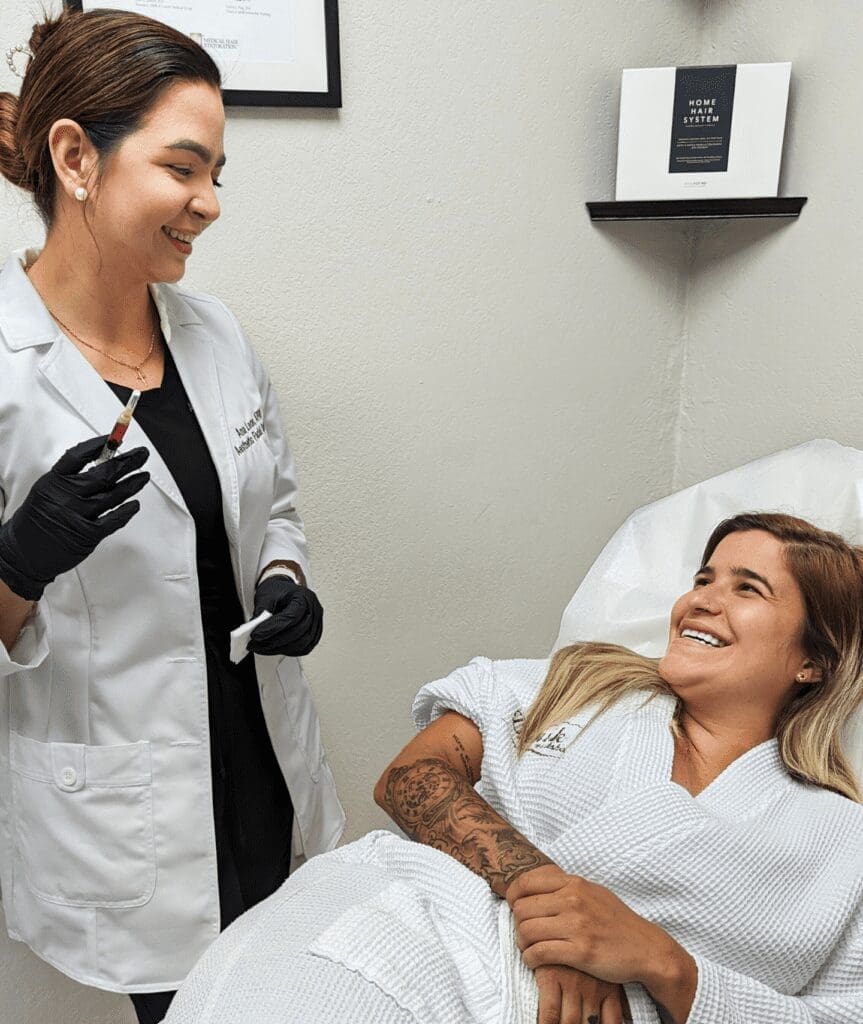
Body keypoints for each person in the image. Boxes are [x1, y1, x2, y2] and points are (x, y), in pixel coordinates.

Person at [165, 511, 863, 1024]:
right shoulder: (574, 684)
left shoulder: (838, 841)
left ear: (812, 661)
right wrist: (553, 907)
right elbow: (413, 777)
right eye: (702, 577)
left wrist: (665, 966)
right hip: (393, 935)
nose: (700, 599)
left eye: (748, 588)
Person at [0, 10, 343, 1023]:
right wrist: (19, 560)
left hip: (265, 777)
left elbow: (271, 501)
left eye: (217, 175)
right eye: (183, 168)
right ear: (76, 158)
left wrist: (282, 580)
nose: (208, 203)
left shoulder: (214, 334)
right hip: (128, 816)